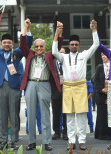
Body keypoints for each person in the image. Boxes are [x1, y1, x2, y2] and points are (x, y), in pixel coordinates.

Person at [0, 21, 33, 150]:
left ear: (12, 44)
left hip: (14, 87)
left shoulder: (17, 53)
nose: (6, 44)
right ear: (1, 44)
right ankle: (3, 140)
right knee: (1, 115)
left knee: (14, 115)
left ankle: (14, 140)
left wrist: (27, 29)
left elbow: (27, 44)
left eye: (9, 43)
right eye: (4, 42)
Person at [52, 19, 99, 150]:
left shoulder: (84, 55)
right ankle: (71, 141)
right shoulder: (64, 57)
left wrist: (94, 30)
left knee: (82, 116)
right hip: (67, 87)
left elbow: (96, 45)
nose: (73, 46)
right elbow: (54, 51)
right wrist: (57, 33)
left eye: (76, 44)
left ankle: (82, 141)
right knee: (70, 116)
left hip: (80, 87)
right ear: (68, 46)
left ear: (79, 46)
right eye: (72, 44)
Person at [20, 19, 63, 151]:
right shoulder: (29, 54)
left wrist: (58, 32)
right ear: (34, 47)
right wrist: (26, 28)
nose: (39, 48)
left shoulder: (49, 56)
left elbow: (58, 45)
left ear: (44, 47)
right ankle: (32, 142)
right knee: (31, 114)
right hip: (31, 85)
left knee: (45, 114)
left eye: (41, 46)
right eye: (37, 46)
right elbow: (22, 45)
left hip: (45, 86)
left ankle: (47, 142)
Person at [52, 48, 68, 141]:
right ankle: (56, 132)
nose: (61, 55)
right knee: (56, 113)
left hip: (67, 91)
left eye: (63, 53)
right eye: (60, 53)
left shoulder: (68, 64)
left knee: (66, 113)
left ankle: (66, 132)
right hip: (55, 92)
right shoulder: (52, 65)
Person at [94, 53, 111, 140]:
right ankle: (102, 134)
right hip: (101, 95)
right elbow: (94, 80)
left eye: (105, 55)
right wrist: (101, 89)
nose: (104, 57)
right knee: (102, 115)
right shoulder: (99, 67)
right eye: (102, 55)